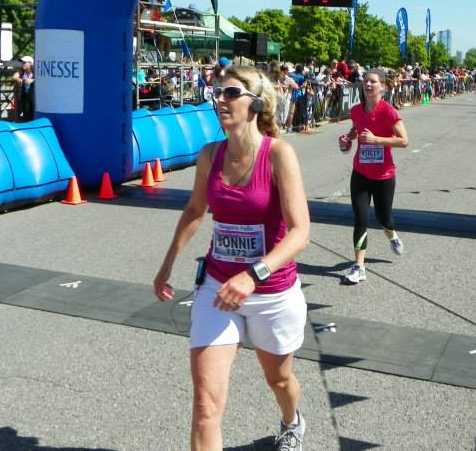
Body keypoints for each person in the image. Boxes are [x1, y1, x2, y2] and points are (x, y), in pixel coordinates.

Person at [153, 65, 309, 451]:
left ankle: (291, 420)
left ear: (255, 103)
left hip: (272, 293)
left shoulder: (279, 155)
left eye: (231, 93)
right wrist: (168, 263)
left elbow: (300, 232)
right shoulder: (210, 154)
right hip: (218, 288)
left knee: (278, 379)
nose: (220, 99)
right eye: (218, 92)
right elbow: (194, 210)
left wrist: (253, 275)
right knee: (206, 407)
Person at [338, 68, 409, 284]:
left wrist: (377, 139)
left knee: (383, 218)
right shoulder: (356, 111)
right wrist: (346, 141)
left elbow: (404, 140)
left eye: (373, 82)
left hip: (384, 175)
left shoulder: (389, 111)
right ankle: (359, 266)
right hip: (360, 172)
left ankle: (392, 235)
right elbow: (355, 131)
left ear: (383, 87)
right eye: (365, 82)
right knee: (361, 219)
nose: (368, 85)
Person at [12, 56, 36, 122]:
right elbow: (14, 76)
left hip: (33, 98)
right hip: (25, 97)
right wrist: (18, 79)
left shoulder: (35, 72)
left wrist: (32, 80)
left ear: (31, 63)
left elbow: (42, 80)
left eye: (24, 62)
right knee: (25, 114)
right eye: (22, 62)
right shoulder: (22, 71)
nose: (23, 64)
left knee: (32, 113)